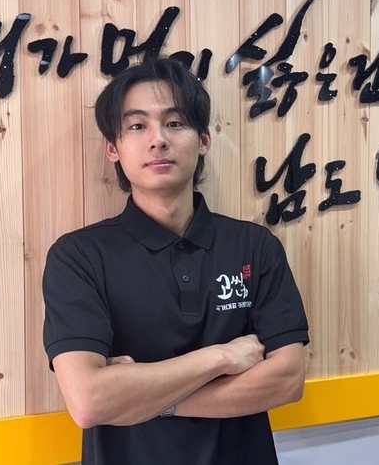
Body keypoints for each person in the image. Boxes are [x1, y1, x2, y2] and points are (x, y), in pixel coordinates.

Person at [42, 56, 309, 465]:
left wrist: (146, 397)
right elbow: (90, 401)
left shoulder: (255, 247)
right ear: (113, 148)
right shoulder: (78, 256)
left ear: (203, 141)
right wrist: (221, 357)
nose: (158, 140)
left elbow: (287, 380)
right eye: (137, 126)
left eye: (175, 122)